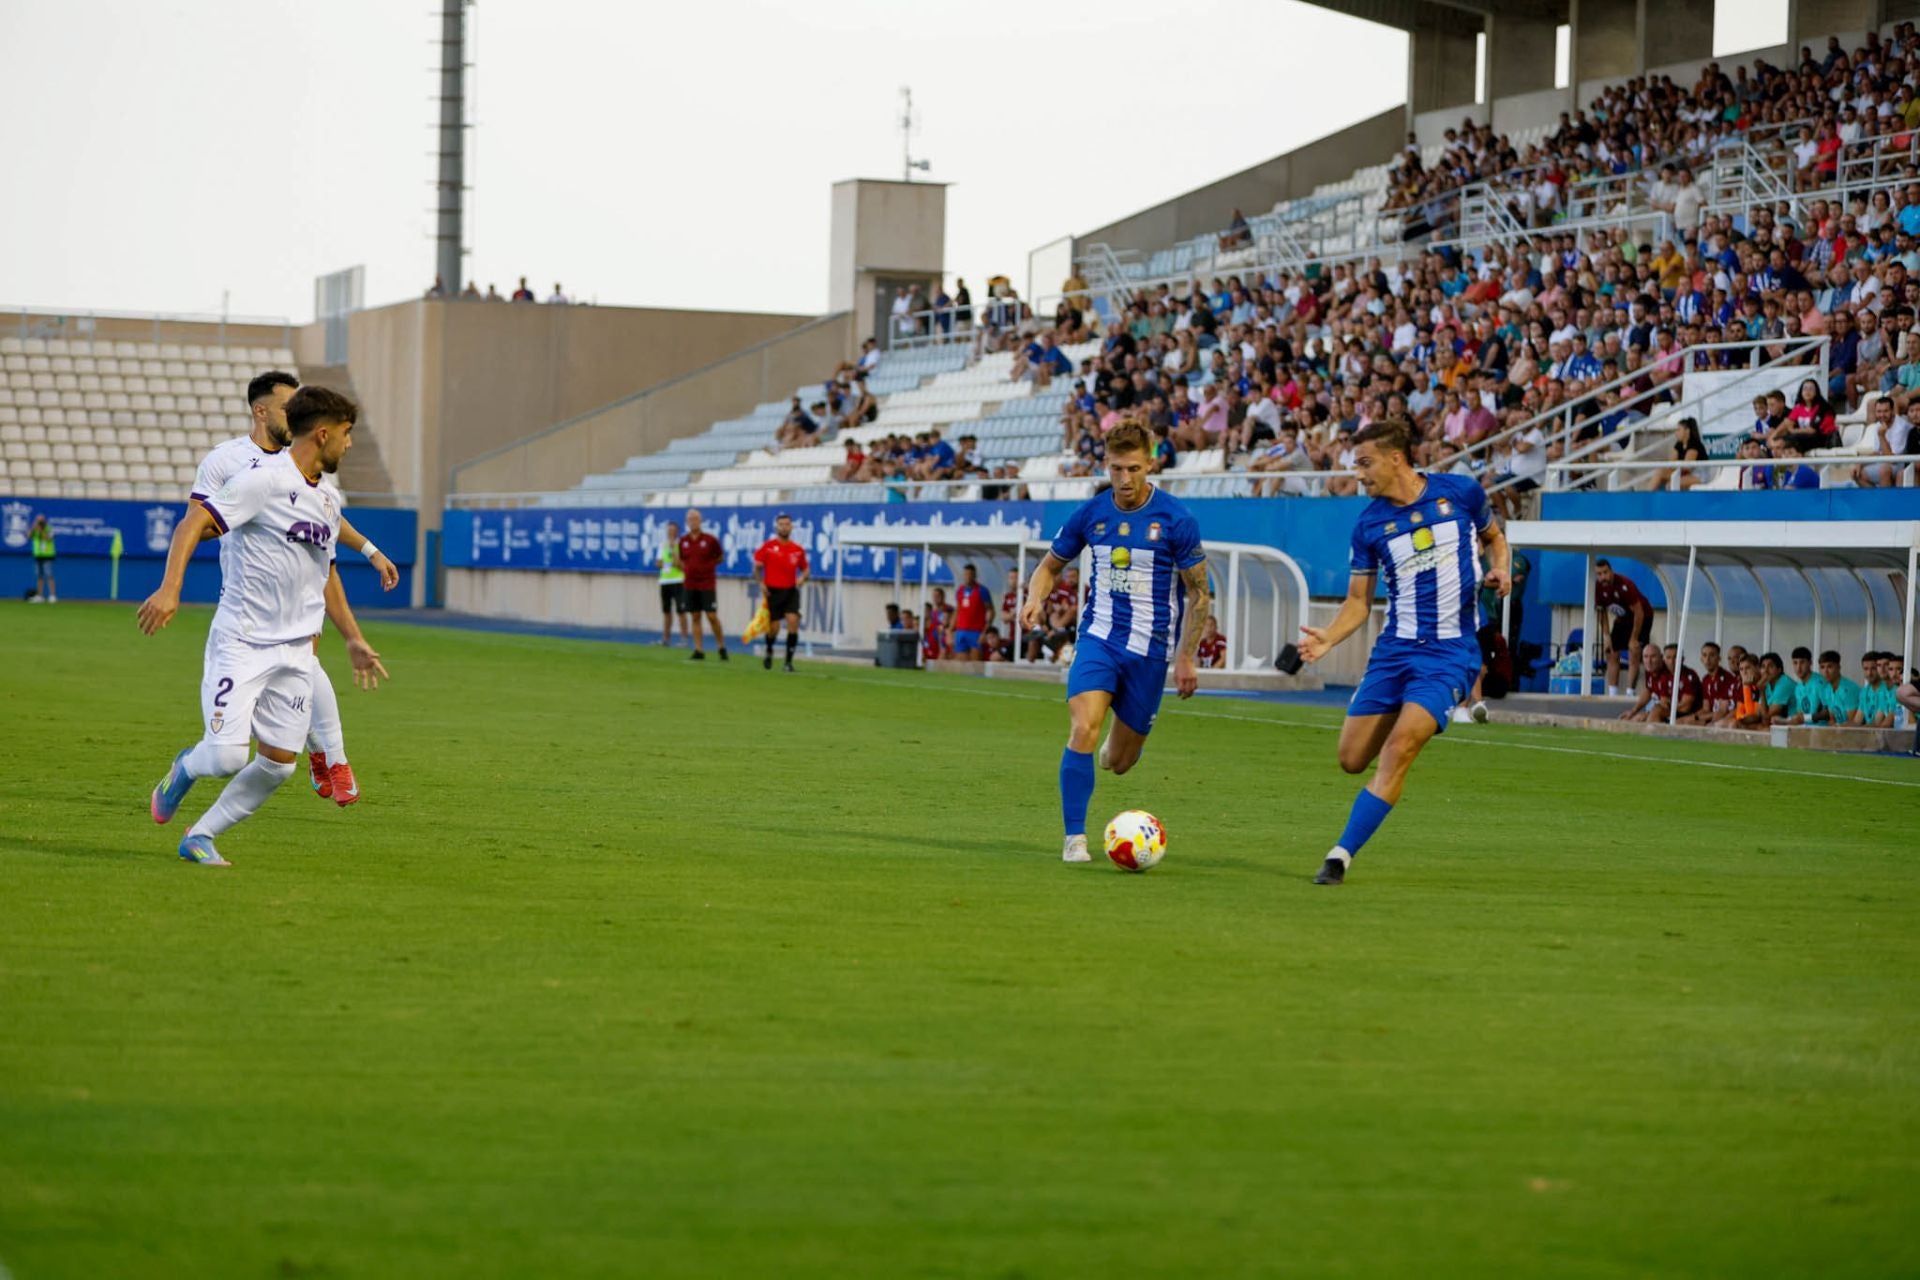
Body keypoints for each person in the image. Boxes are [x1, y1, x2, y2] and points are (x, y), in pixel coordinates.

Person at [139, 387, 382, 867]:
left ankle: (200, 836)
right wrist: (170, 590)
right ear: (323, 433)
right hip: (243, 643)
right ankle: (184, 768)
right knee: (228, 757)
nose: (349, 445)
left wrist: (353, 637)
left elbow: (326, 574)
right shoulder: (262, 480)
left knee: (277, 765)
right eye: (348, 434)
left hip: (295, 655)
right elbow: (193, 524)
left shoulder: (329, 502)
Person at [1296, 418, 1510, 886]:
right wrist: (1328, 638)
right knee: (1351, 760)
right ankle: (1412, 710)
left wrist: (1502, 570)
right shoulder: (1369, 524)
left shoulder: (1460, 493)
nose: (1359, 474)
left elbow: (1494, 537)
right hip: (1394, 652)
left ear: (1397, 459)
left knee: (1399, 748)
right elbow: (1358, 602)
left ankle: (1339, 856)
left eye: (1365, 463)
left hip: (1451, 652)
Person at [191, 371, 399, 805]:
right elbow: (198, 519)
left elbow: (325, 517)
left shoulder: (308, 467)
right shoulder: (229, 461)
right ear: (261, 410)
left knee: (307, 658)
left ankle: (330, 756)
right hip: (248, 595)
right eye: (287, 407)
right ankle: (317, 753)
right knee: (234, 747)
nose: (294, 415)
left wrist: (369, 549)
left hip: (298, 590)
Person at [1019, 420, 1209, 864]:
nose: (1124, 480)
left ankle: (1111, 748)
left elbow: (1199, 591)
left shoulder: (1177, 520)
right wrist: (1034, 598)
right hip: (1099, 638)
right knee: (1083, 726)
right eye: (1116, 469)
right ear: (1106, 464)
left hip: (1149, 651)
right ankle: (1074, 839)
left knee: (1120, 761)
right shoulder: (1092, 513)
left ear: (1151, 463)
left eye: (1134, 469)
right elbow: (1049, 566)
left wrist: (1187, 656)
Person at [752, 513, 809, 672]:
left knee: (793, 620)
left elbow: (805, 569)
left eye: (787, 524)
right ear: (777, 527)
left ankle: (788, 662)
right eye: (781, 524)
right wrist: (760, 582)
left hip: (790, 590)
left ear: (791, 527)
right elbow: (757, 567)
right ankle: (769, 650)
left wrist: (802, 577)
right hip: (773, 591)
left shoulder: (797, 550)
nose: (784, 527)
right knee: (774, 628)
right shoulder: (768, 546)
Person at [1595, 559, 1653, 696]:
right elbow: (1601, 613)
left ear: (1611, 571)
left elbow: (1639, 612)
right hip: (1622, 619)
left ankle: (1630, 692)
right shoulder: (1598, 587)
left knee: (1634, 651)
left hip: (1642, 617)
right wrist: (1606, 637)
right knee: (1611, 652)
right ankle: (1612, 693)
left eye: (1605, 572)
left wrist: (1633, 638)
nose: (1603, 577)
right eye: (1599, 574)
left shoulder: (1624, 584)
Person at [676, 509, 728, 661]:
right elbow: (680, 560)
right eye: (690, 519)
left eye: (696, 519)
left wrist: (708, 567)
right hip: (690, 584)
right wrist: (686, 569)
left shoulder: (710, 540)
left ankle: (721, 647)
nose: (693, 522)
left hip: (707, 583)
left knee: (711, 616)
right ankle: (699, 650)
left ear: (701, 521)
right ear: (687, 522)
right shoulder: (683, 541)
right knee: (695, 616)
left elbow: (720, 557)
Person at [656, 520, 689, 648]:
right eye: (669, 530)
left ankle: (684, 639)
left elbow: (681, 565)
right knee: (666, 611)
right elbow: (658, 562)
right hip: (665, 580)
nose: (670, 533)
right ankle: (665, 639)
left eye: (673, 531)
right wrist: (665, 564)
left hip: (678, 581)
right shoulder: (662, 545)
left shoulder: (681, 545)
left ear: (677, 532)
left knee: (681, 611)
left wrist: (673, 550)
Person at [1810, 649, 1864, 725]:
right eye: (1822, 667)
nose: (1826, 671)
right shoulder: (1827, 689)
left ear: (1838, 667)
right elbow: (1832, 719)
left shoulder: (1849, 689)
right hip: (1839, 732)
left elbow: (1852, 724)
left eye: (1829, 667)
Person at [949, 564, 992, 658]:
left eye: (970, 574)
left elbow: (990, 611)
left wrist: (985, 631)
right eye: (966, 574)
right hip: (961, 630)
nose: (968, 577)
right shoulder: (960, 590)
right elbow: (957, 610)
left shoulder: (982, 591)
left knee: (975, 662)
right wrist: (950, 630)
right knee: (961, 661)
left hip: (976, 631)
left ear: (974, 575)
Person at [27, 515, 55, 603]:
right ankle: (40, 595)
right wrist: (33, 528)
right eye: (38, 521)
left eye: (41, 521)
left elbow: (48, 538)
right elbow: (28, 536)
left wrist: (41, 530)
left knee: (49, 575)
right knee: (39, 576)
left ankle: (52, 595)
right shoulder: (35, 529)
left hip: (47, 555)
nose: (40, 523)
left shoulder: (49, 529)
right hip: (38, 555)